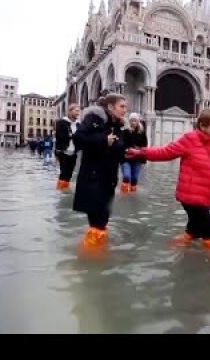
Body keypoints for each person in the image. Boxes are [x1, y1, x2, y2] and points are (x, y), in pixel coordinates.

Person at [126, 108, 210, 251]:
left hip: (206, 196)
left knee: (195, 229)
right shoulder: (189, 139)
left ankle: (177, 248)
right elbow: (165, 152)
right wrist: (141, 153)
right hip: (191, 197)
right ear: (203, 126)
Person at [72, 94, 127, 256]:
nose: (125, 110)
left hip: (108, 178)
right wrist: (103, 139)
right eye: (122, 106)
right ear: (110, 107)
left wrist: (130, 152)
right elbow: (79, 139)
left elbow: (118, 149)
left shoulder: (117, 125)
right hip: (93, 178)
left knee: (102, 219)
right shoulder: (94, 118)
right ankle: (91, 257)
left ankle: (96, 251)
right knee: (97, 220)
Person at [55, 104, 81, 190]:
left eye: (79, 111)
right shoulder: (61, 122)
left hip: (73, 152)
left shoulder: (78, 125)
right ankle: (61, 191)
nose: (78, 113)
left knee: (70, 173)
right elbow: (60, 136)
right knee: (64, 173)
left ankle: (65, 189)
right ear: (70, 111)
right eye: (76, 111)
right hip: (63, 151)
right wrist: (73, 135)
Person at [120, 112, 148, 193]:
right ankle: (124, 194)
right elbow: (121, 144)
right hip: (126, 157)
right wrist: (126, 149)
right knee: (126, 176)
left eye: (135, 120)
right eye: (131, 120)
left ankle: (132, 193)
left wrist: (143, 157)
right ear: (129, 121)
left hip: (137, 158)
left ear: (138, 121)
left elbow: (145, 146)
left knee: (134, 178)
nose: (133, 122)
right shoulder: (125, 131)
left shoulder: (142, 132)